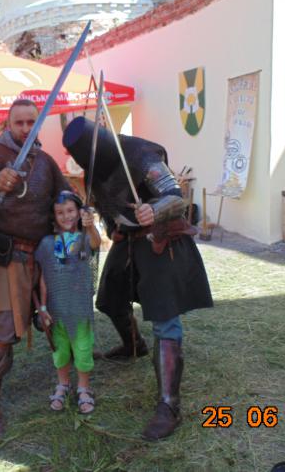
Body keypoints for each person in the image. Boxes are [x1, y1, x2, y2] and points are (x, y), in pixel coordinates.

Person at [63, 116, 213, 440]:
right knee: (110, 299)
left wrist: (155, 210)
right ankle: (134, 345)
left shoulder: (140, 154)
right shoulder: (93, 173)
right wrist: (104, 225)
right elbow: (108, 212)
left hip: (161, 238)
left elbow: (176, 196)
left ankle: (169, 405)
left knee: (165, 319)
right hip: (129, 240)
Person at [0, 98, 69, 439]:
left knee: (59, 315)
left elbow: (65, 195)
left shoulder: (45, 161)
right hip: (6, 258)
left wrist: (77, 209)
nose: (25, 129)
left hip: (43, 255)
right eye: (19, 123)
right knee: (2, 330)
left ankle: (73, 374)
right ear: (8, 125)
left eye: (31, 122)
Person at [34, 190, 100, 414]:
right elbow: (44, 278)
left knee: (83, 349)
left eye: (71, 210)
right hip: (56, 309)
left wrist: (90, 225)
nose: (66, 216)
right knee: (60, 350)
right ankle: (63, 384)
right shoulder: (46, 243)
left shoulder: (84, 239)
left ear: (79, 212)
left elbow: (95, 243)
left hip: (79, 307)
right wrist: (43, 307)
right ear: (53, 216)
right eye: (60, 212)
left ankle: (83, 387)